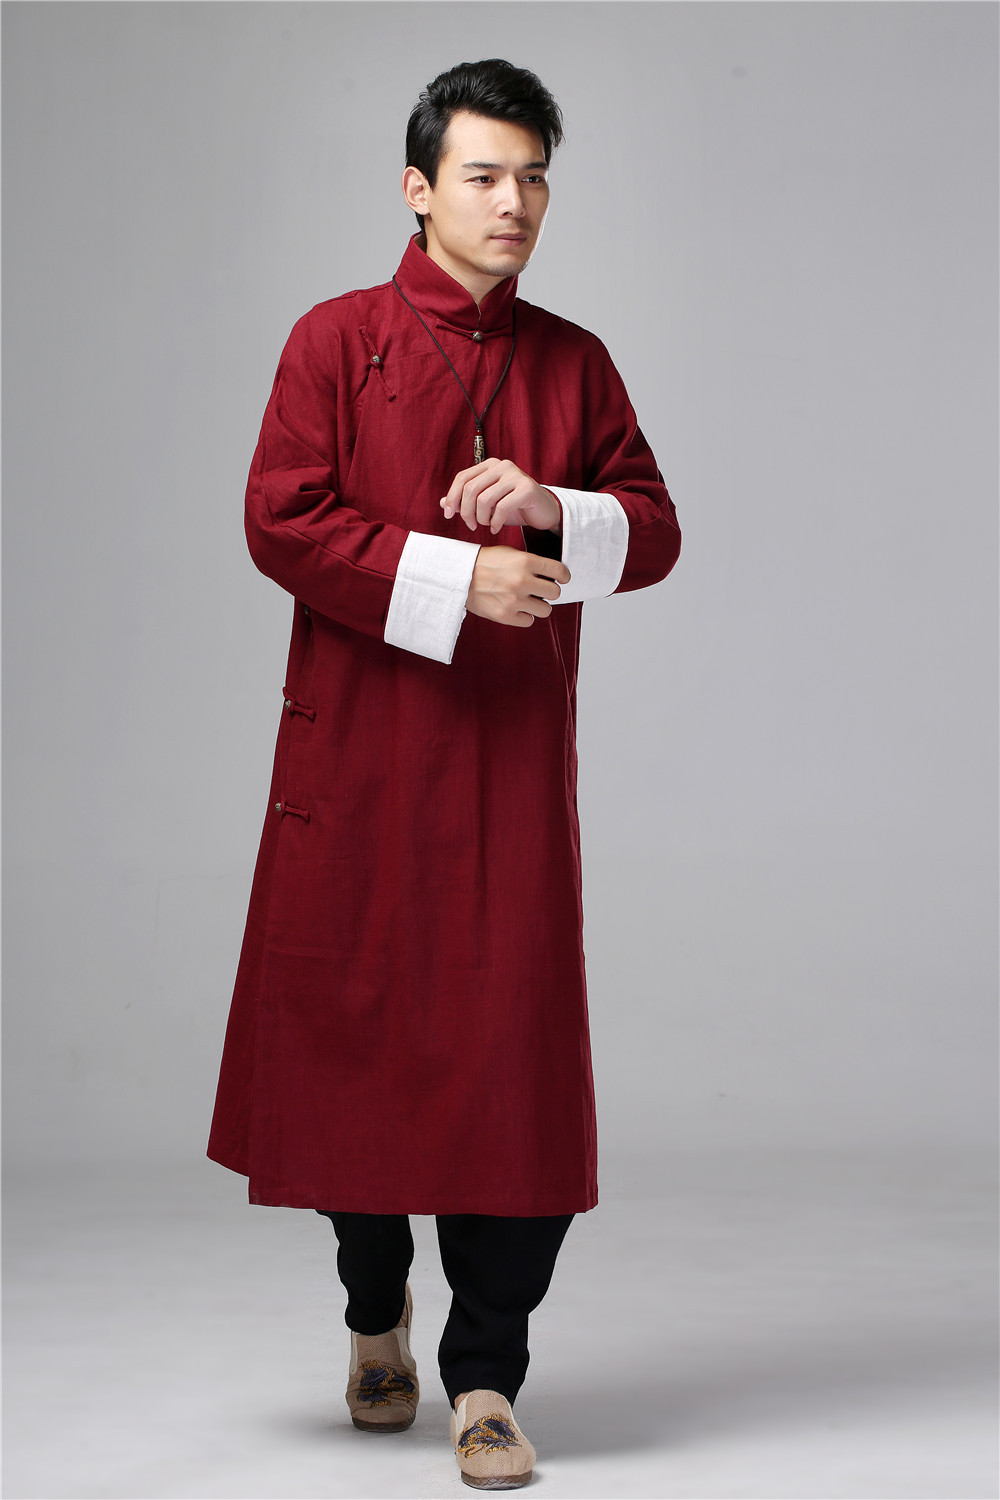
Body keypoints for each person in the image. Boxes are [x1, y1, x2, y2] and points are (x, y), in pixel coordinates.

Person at [208, 57, 681, 1490]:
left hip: (507, 770)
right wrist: (453, 575)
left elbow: (653, 528)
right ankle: (375, 1313)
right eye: (484, 175)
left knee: (509, 1064)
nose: (514, 202)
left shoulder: (574, 361)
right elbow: (280, 520)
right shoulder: (334, 340)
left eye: (533, 177)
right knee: (352, 1045)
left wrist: (551, 507)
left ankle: (486, 1376)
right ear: (418, 189)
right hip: (358, 753)